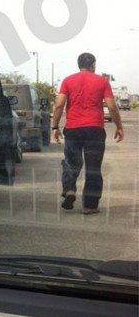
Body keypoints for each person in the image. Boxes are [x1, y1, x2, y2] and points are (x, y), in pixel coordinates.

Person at [51, 52, 124, 214]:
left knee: (71, 162)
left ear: (79, 65)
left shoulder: (68, 81)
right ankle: (89, 206)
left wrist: (54, 127)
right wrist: (119, 126)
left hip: (73, 129)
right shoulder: (102, 81)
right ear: (93, 65)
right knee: (93, 168)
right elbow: (112, 107)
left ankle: (69, 189)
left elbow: (59, 105)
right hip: (95, 130)